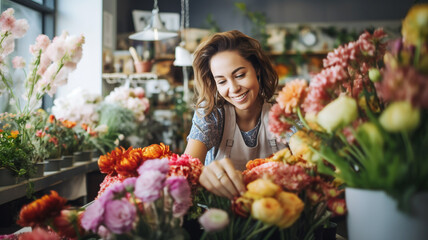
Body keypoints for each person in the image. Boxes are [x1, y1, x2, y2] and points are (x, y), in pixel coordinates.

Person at [184, 30, 286, 199]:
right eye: (222, 81)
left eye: (240, 75)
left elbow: (310, 163)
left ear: (257, 69)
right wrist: (201, 173)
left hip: (277, 212)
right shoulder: (212, 114)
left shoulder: (283, 111)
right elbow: (187, 168)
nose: (233, 88)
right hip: (222, 217)